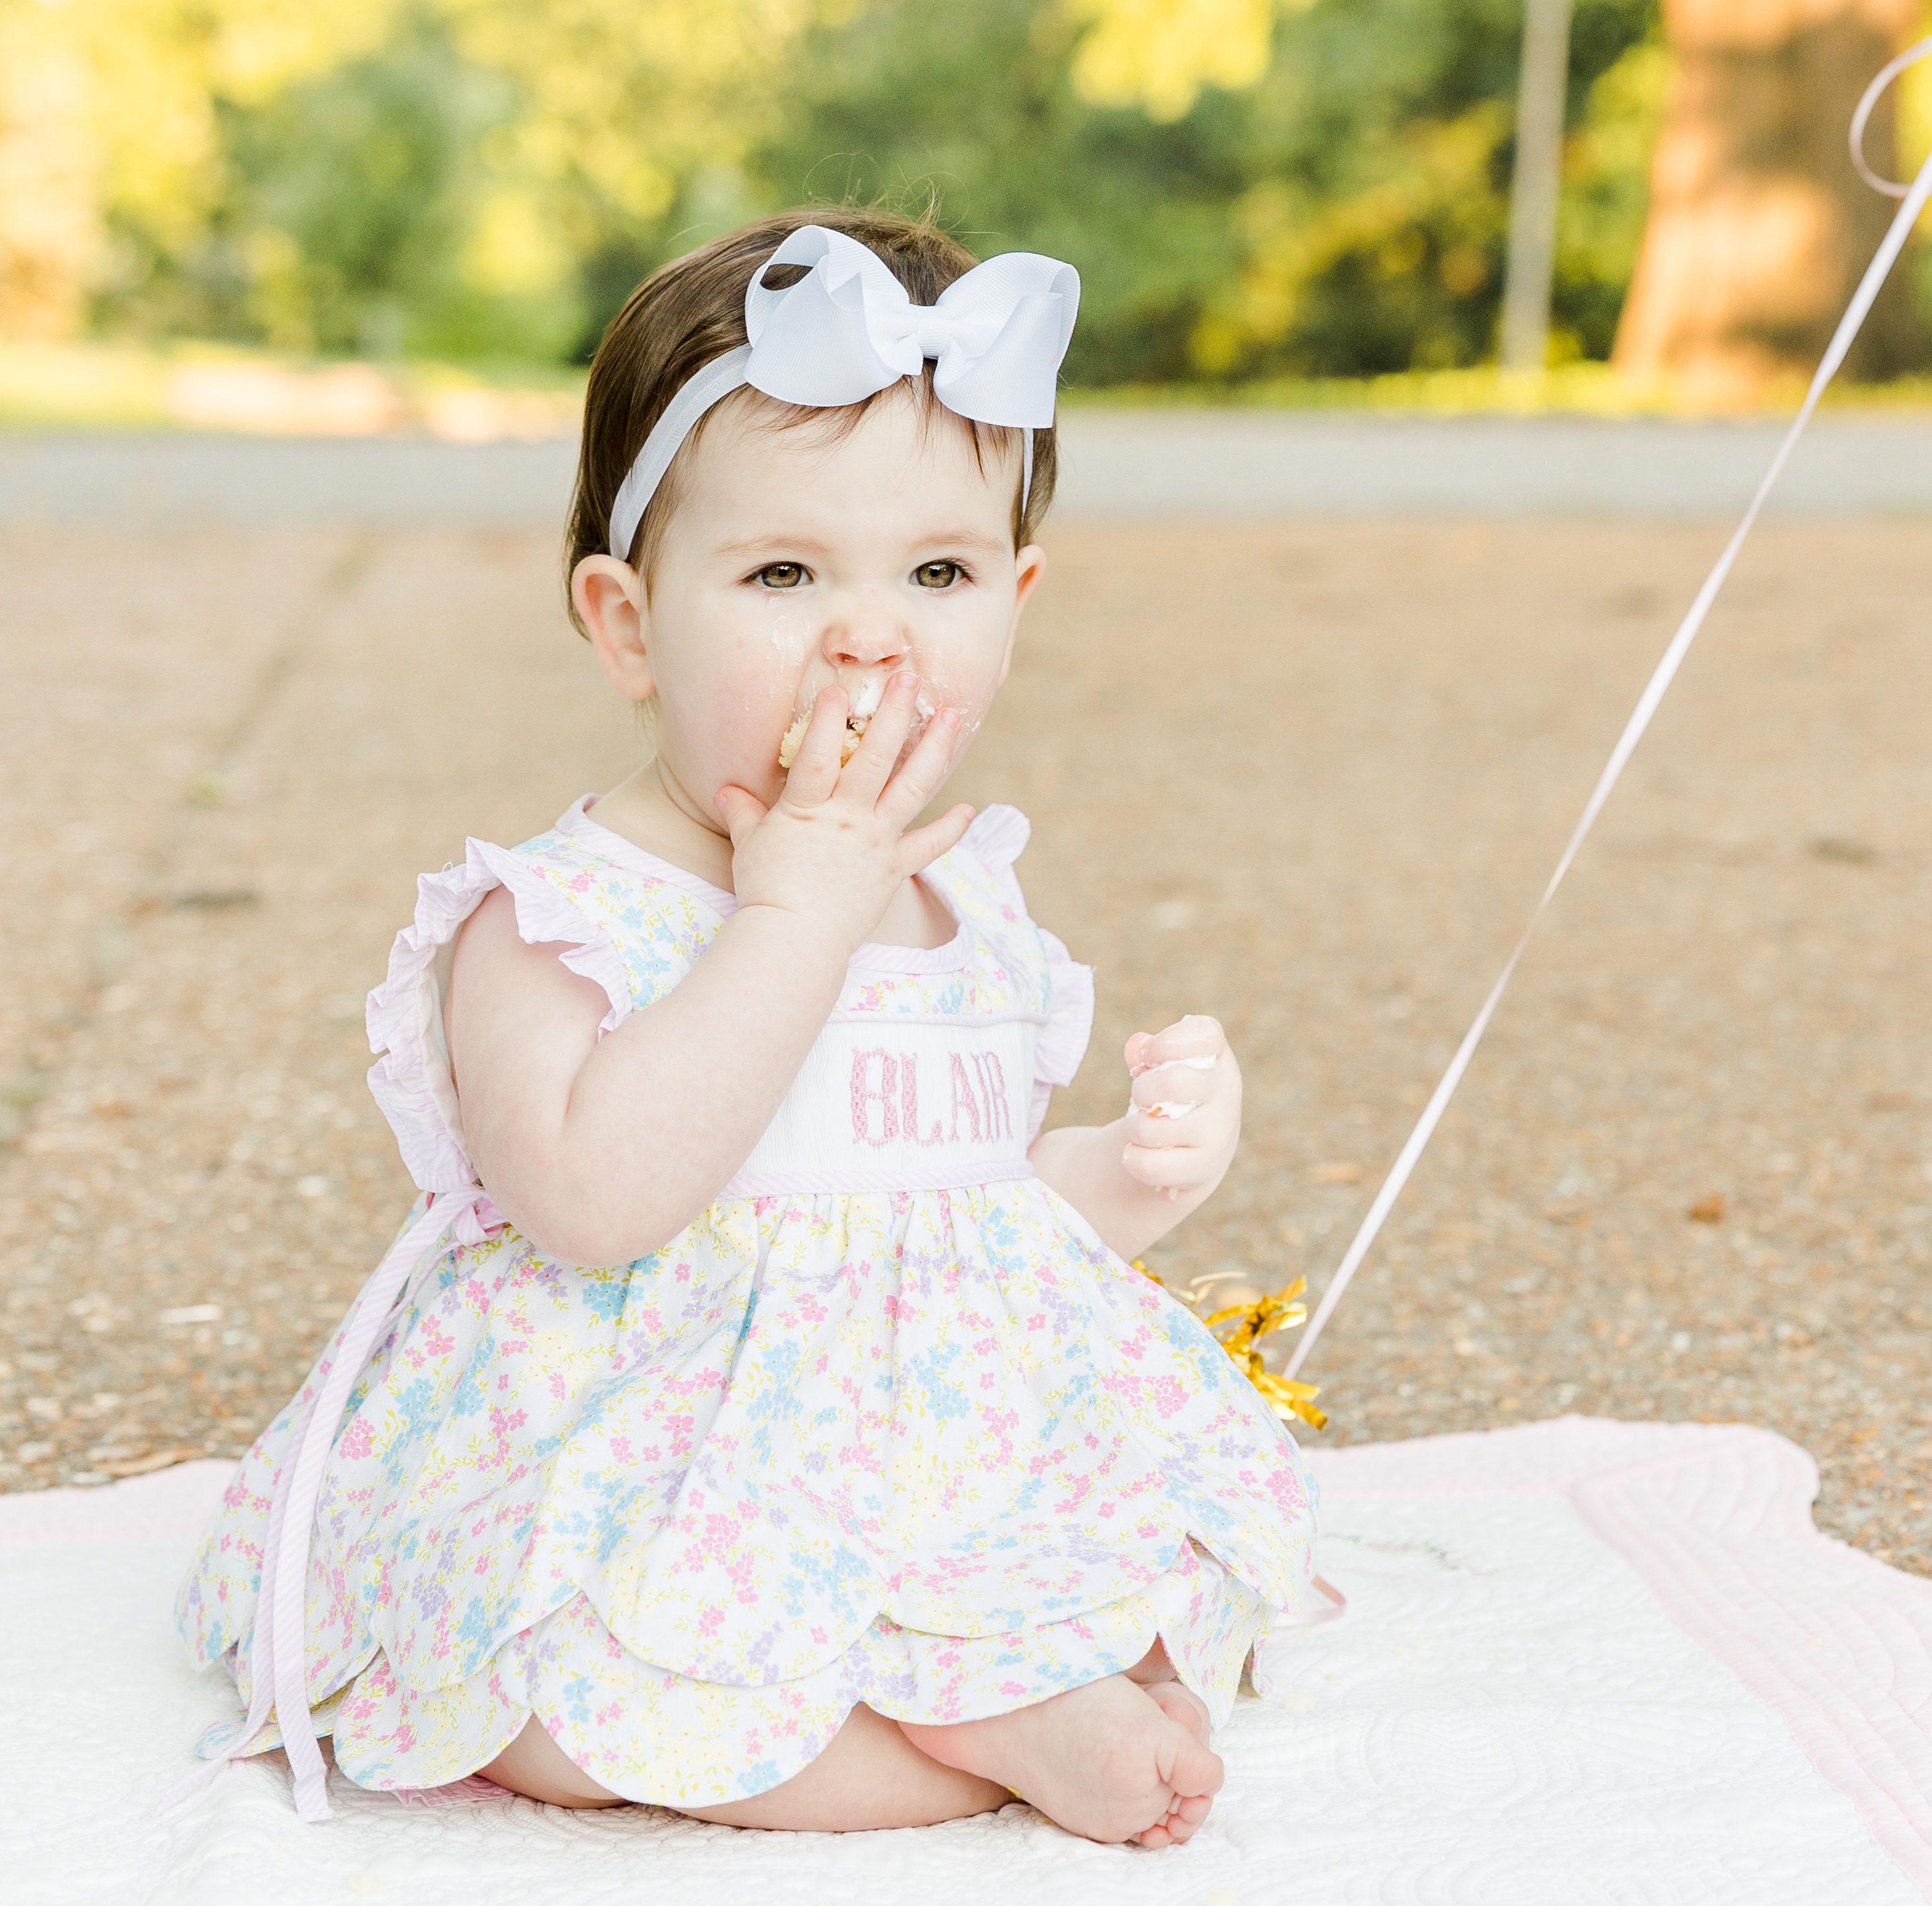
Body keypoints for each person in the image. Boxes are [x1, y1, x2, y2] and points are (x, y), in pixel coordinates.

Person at [175, 208, 1313, 1849]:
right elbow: (592, 1204)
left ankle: (988, 1681)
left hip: (915, 1455)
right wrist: (794, 918)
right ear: (629, 622)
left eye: (939, 572)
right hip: (645, 1460)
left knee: (1150, 1554)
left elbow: (962, 1212)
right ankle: (989, 1727)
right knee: (536, 1687)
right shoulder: (555, 917)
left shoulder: (963, 897)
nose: (871, 634)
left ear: (1018, 596)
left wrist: (1130, 1179)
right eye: (784, 574)